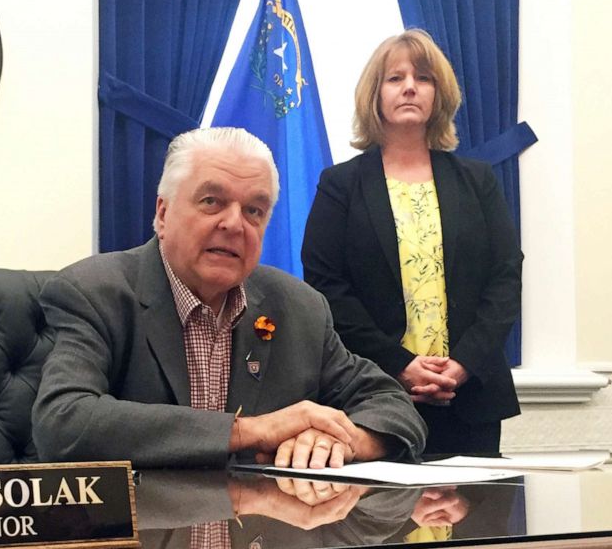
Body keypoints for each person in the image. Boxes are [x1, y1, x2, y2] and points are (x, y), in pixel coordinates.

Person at [32, 126, 426, 469]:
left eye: (254, 210)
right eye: (211, 202)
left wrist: (348, 440)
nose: (234, 224)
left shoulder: (298, 307)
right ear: (163, 213)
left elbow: (390, 403)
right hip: (145, 544)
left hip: (262, 544)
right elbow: (63, 423)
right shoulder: (96, 292)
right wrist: (249, 431)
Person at [301, 29, 522, 456]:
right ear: (375, 94)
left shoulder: (477, 182)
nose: (409, 87)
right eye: (395, 78)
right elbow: (326, 286)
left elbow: (505, 279)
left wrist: (462, 366)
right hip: (373, 395)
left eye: (423, 78)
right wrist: (400, 365)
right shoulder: (341, 185)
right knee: (381, 520)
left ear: (439, 94)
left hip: (470, 396)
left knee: (474, 523)